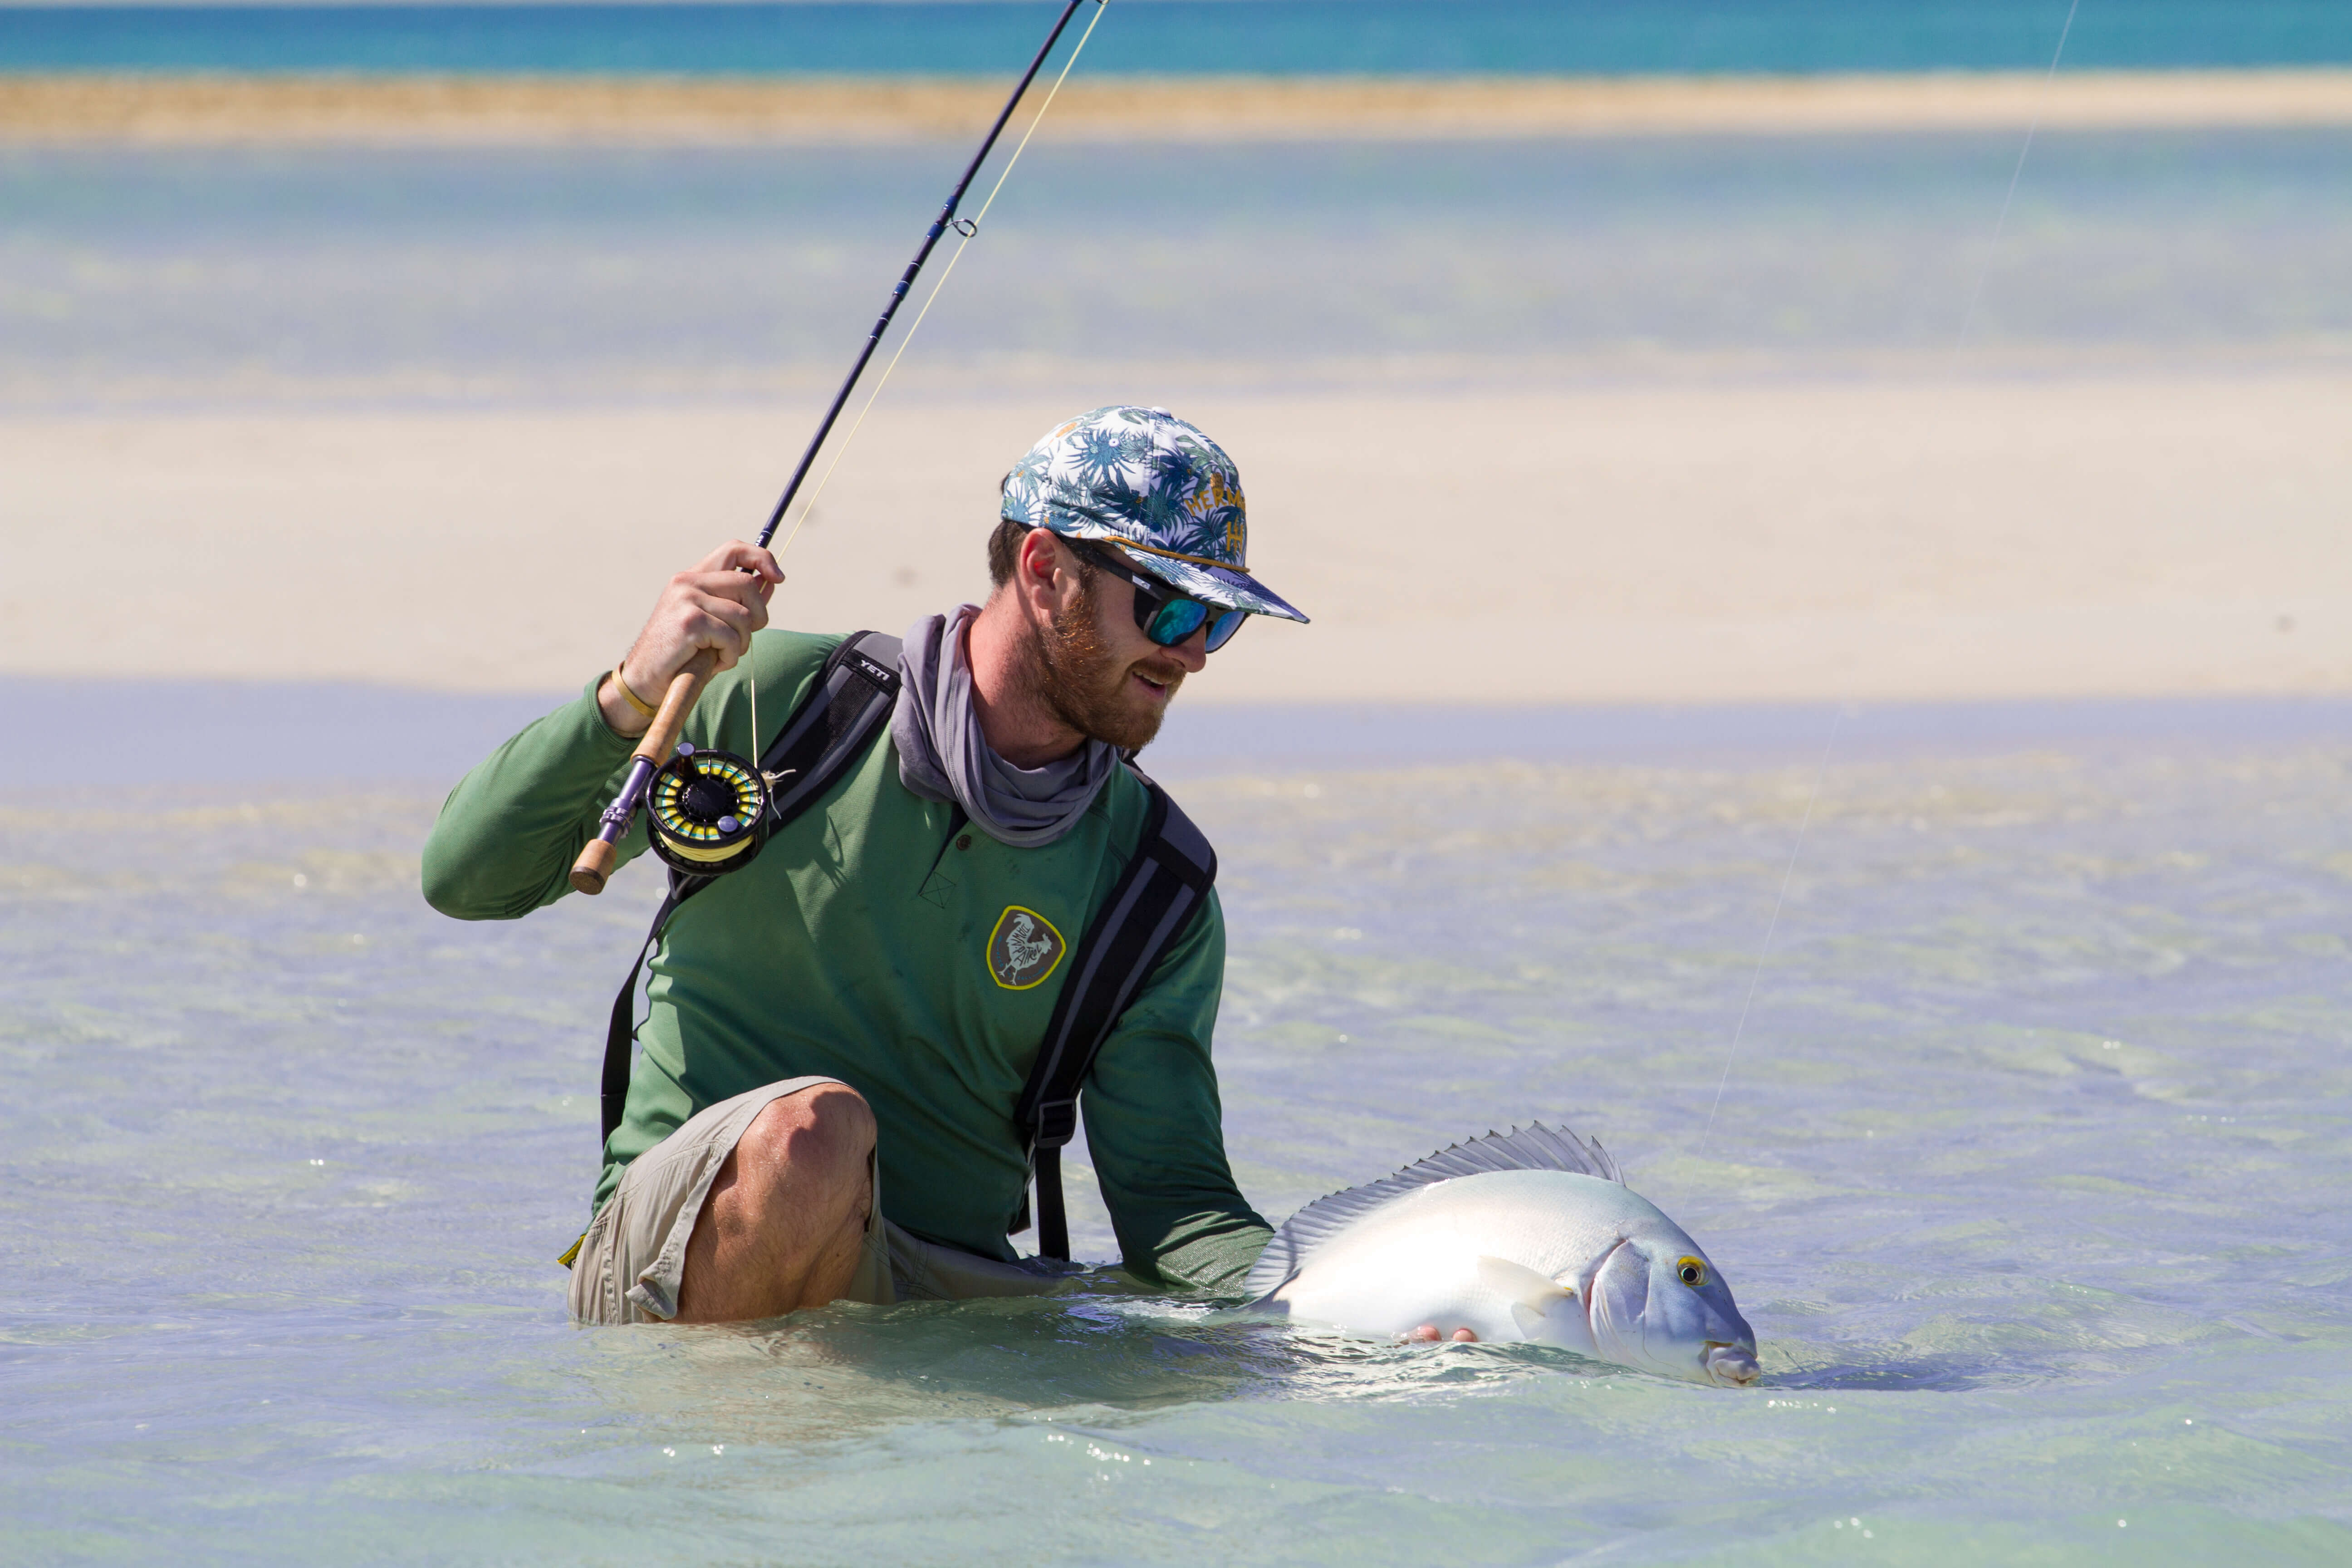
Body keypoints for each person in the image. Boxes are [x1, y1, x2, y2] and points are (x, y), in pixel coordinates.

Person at [422, 406, 1309, 1326]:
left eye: (1219, 622)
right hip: (673, 1258)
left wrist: (1350, 1312)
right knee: (816, 1133)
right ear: (1047, 573)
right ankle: (731, 1462)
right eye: (1171, 608)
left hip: (940, 1300)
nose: (1194, 653)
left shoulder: (1156, 883)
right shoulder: (775, 697)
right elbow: (468, 879)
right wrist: (633, 692)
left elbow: (1180, 1212)